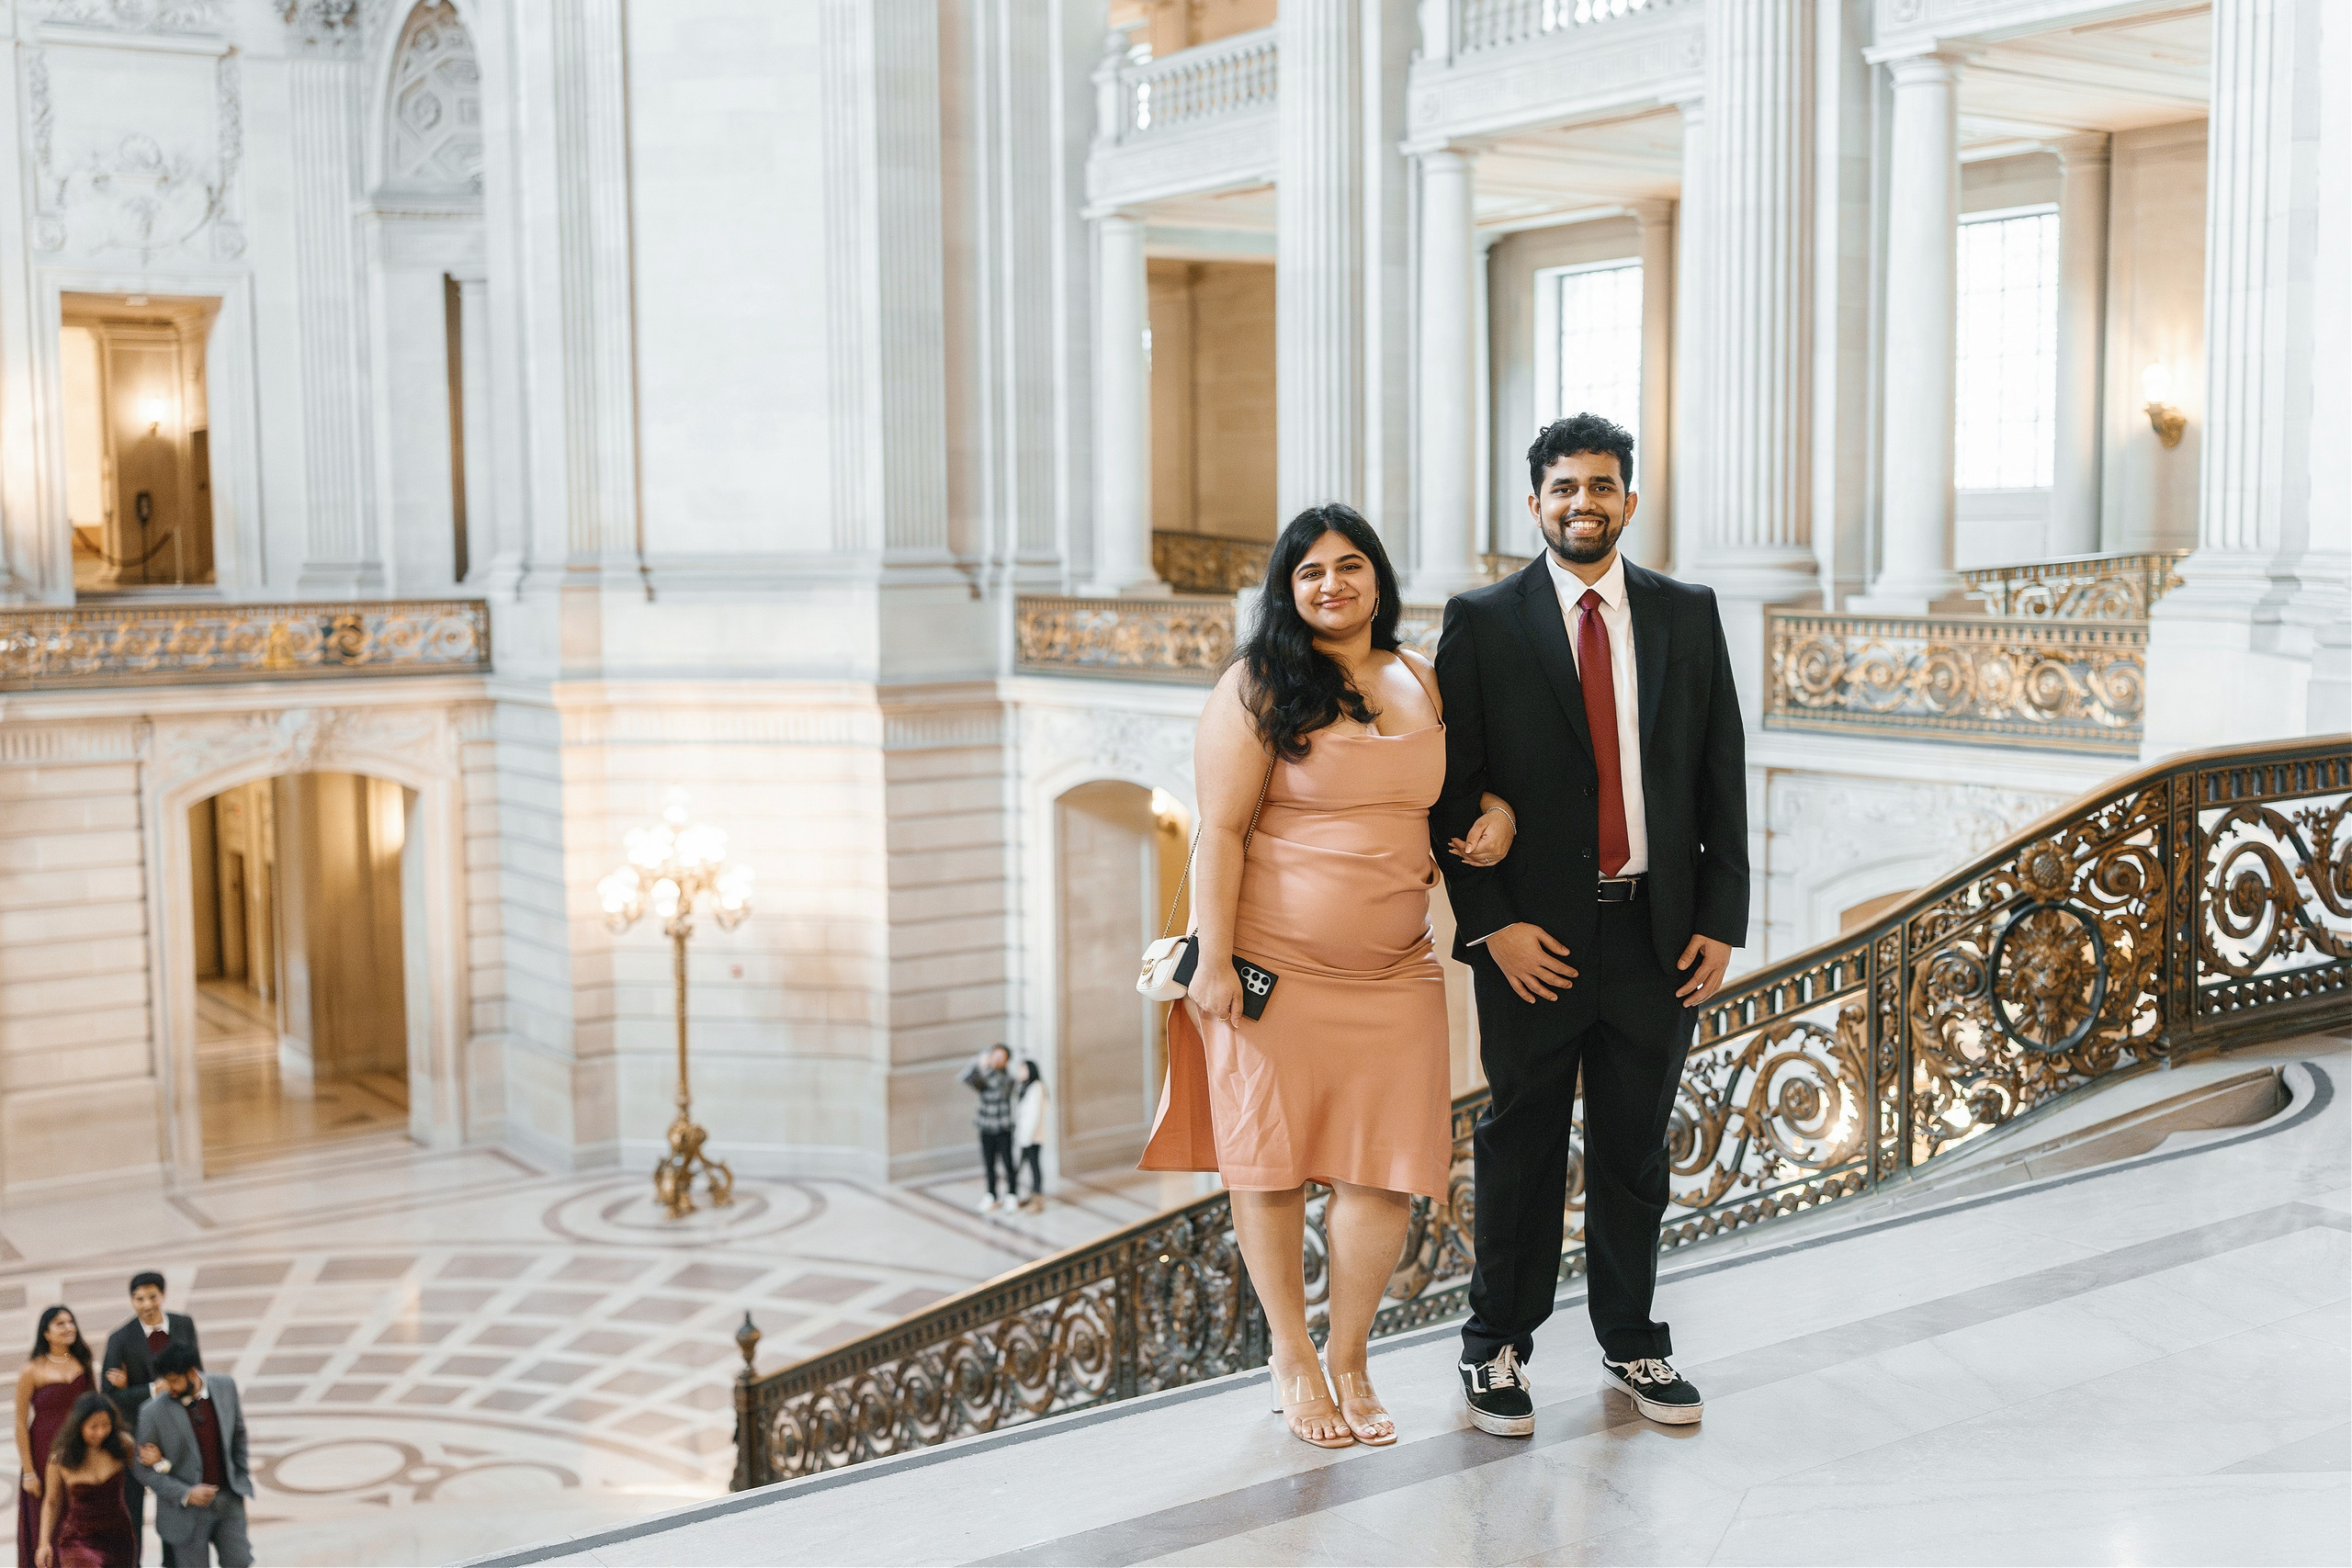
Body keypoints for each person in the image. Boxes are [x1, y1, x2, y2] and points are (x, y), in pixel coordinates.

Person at [1141, 503, 1518, 1450]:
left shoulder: (1421, 677)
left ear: (1378, 579)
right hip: (1273, 968)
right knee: (1269, 1170)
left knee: (1383, 1176)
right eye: (1310, 572)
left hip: (1396, 973)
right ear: (1288, 588)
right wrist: (1214, 962)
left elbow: (1455, 791)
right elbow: (1220, 831)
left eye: (1350, 566)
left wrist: (1499, 812)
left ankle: (1350, 1354)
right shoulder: (1256, 685)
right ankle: (1291, 1357)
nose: (1332, 584)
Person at [1431, 412, 1747, 1436]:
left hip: (1656, 936)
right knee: (1518, 1144)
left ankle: (1633, 1342)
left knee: (1633, 1151)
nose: (1583, 503)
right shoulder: (1482, 623)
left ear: (1630, 499)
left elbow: (1720, 776)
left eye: (1601, 486)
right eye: (1563, 487)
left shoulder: (1686, 613)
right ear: (1533, 504)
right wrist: (1492, 928)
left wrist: (1721, 916)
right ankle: (1495, 1350)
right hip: (1535, 944)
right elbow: (1450, 796)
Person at [101, 1275, 198, 1566]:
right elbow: (108, 1396)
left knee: (175, 1506)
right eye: (139, 1299)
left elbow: (197, 1373)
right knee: (132, 1509)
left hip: (179, 1432)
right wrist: (152, 1389)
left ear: (163, 1295)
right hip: (138, 1436)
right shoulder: (120, 1339)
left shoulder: (183, 1325)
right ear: (132, 1301)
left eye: (152, 1297)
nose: (146, 1305)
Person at [128, 1348, 249, 1568]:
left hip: (229, 1500)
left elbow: (238, 1433)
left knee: (240, 1562)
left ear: (192, 1373)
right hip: (185, 1513)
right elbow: (142, 1468)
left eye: (174, 1381)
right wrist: (185, 1493)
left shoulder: (225, 1387)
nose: (169, 1388)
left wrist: (240, 1474)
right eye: (166, 1381)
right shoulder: (152, 1412)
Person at [17, 1308, 94, 1568]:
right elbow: (19, 1422)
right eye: (60, 1323)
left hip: (80, 1451)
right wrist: (28, 1472)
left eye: (71, 1321)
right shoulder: (32, 1370)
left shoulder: (82, 1363)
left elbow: (96, 1410)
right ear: (46, 1332)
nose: (68, 1327)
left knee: (80, 1517)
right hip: (43, 1452)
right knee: (46, 1521)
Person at [35, 1393, 137, 1568]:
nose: (101, 1432)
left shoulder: (123, 1445)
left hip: (119, 1537)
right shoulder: (60, 1458)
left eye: (106, 1425)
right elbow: (52, 1501)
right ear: (79, 1425)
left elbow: (145, 1474)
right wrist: (43, 1543)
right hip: (79, 1540)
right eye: (93, 1427)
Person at [959, 1044, 1020, 1213]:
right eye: (995, 1056)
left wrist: (984, 1067)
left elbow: (998, 1087)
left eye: (1002, 1058)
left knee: (1008, 1163)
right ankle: (991, 1194)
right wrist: (977, 1061)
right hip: (986, 1126)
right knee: (989, 1163)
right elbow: (965, 1078)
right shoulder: (984, 1074)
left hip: (1003, 1127)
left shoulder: (1007, 1078)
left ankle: (1012, 1194)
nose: (997, 1060)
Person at [1012, 1060, 1050, 1212]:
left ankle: (1038, 1199)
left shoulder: (1037, 1087)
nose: (1021, 1073)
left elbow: (1034, 1115)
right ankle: (1030, 1195)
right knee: (1024, 1167)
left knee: (1034, 1166)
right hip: (1024, 1136)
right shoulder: (1024, 1086)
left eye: (1023, 1070)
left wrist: (1027, 1137)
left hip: (1032, 1137)